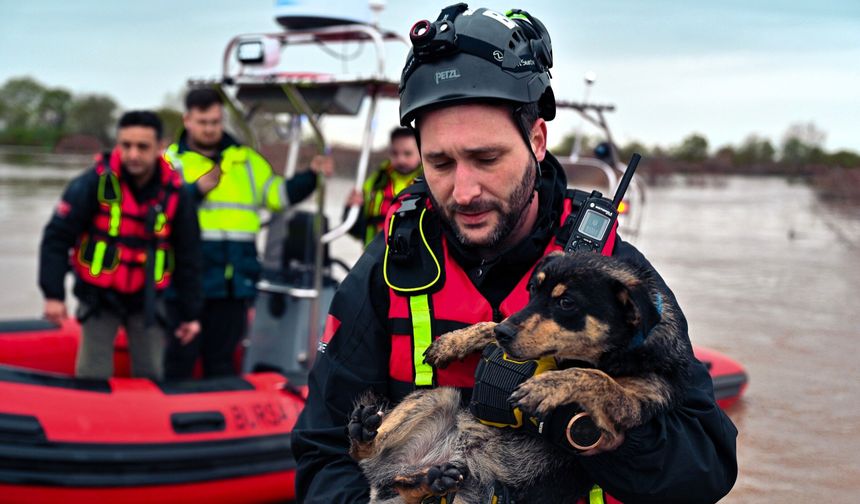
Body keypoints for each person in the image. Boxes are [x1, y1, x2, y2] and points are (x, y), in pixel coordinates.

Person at [292, 5, 738, 503]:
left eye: (487, 158)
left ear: (537, 140)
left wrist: (588, 418)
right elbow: (323, 450)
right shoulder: (389, 265)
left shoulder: (616, 278)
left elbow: (706, 470)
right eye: (439, 162)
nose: (463, 191)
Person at [163, 88, 333, 379]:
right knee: (179, 360)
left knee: (222, 360)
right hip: (187, 282)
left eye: (215, 121)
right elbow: (158, 210)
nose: (209, 128)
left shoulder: (246, 161)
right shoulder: (170, 162)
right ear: (187, 120)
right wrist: (195, 191)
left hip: (233, 282)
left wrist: (311, 176)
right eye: (203, 122)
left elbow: (278, 196)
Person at [39, 111, 201, 380]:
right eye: (126, 145)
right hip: (99, 297)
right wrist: (53, 295)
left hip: (148, 300)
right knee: (92, 374)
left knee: (151, 372)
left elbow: (189, 255)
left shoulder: (176, 194)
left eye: (142, 147)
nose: (133, 154)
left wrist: (190, 313)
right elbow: (57, 237)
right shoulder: (92, 184)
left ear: (160, 147)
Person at [346, 127, 423, 245]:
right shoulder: (375, 180)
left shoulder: (427, 184)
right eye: (395, 153)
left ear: (420, 153)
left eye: (407, 154)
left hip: (411, 258)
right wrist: (351, 207)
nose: (400, 159)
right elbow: (354, 227)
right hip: (372, 255)